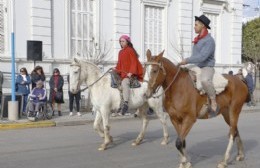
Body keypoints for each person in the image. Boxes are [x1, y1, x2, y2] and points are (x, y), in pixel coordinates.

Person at [178, 14, 218, 117]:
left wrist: (187, 60)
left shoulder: (209, 41)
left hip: (206, 66)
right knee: (178, 73)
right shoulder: (198, 39)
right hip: (195, 65)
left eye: (196, 25)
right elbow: (195, 57)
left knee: (204, 80)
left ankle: (213, 100)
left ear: (203, 26)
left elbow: (202, 57)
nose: (194, 27)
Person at [114, 35, 143, 115]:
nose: (121, 43)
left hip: (130, 75)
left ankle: (126, 104)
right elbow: (119, 64)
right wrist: (115, 69)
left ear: (127, 42)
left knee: (124, 83)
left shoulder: (130, 50)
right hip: (122, 74)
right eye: (120, 41)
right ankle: (118, 105)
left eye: (123, 41)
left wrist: (131, 72)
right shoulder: (120, 52)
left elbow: (134, 62)